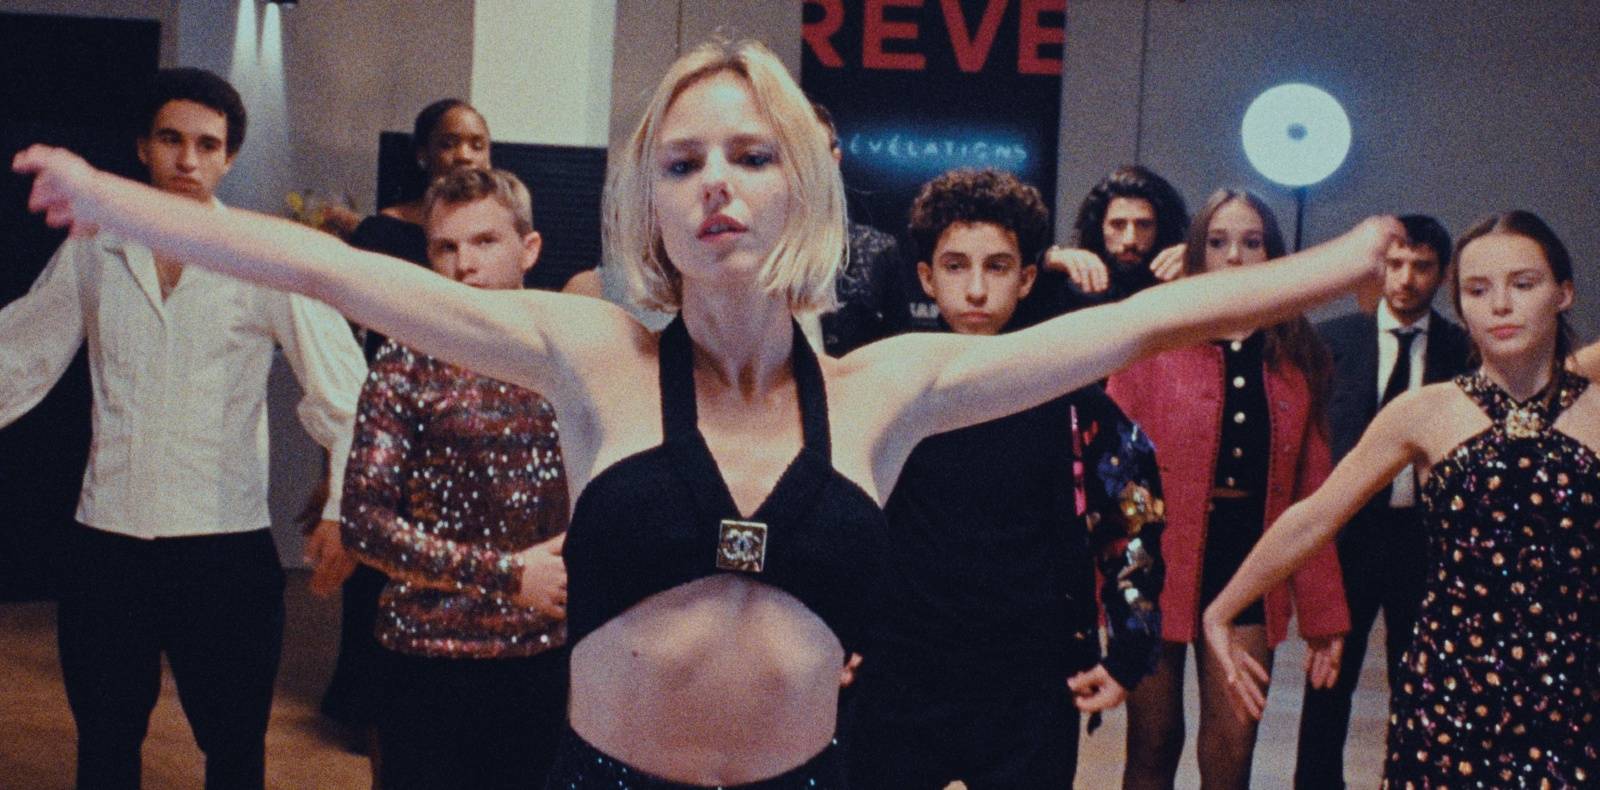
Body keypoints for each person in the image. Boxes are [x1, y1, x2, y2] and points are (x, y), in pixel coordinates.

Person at [16, 39, 1400, 789]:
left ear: (802, 184)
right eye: (684, 162)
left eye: (750, 153)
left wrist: (1343, 260)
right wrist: (116, 199)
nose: (718, 183)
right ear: (651, 201)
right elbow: (329, 268)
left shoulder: (887, 386)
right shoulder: (587, 350)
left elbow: (1146, 320)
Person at [0, 68, 366, 789]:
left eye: (208, 145)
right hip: (108, 541)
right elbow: (21, 355)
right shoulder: (94, 246)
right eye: (171, 139)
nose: (188, 160)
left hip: (223, 549)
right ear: (144, 147)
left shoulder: (261, 255)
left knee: (234, 753)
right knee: (104, 748)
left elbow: (346, 392)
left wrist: (341, 507)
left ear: (229, 158)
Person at [1205, 209, 1599, 788]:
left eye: (1523, 284)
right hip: (1450, 687)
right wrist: (1221, 609)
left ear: (1563, 293)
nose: (1500, 305)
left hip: (1572, 686)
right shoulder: (1425, 411)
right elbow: (1314, 516)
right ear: (1459, 303)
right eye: (1477, 290)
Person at [844, 167, 1164, 789]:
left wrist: (1130, 647)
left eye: (996, 268)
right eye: (956, 266)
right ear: (926, 278)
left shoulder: (1069, 398)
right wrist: (830, 628)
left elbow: (1135, 511)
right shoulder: (884, 393)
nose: (975, 289)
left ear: (1025, 279)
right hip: (901, 670)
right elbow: (829, 515)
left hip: (1031, 676)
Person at [1106, 189, 1351, 790]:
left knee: (1232, 747)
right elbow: (1117, 473)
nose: (1235, 257)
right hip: (1153, 563)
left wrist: (1324, 613)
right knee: (1153, 741)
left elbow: (1312, 493)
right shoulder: (1153, 339)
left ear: (1274, 255)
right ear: (1196, 254)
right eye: (1218, 243)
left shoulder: (1298, 355)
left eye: (1252, 242)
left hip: (1251, 564)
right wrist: (1113, 586)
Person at [341, 167, 572, 789]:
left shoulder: (569, 357)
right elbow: (363, 524)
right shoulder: (404, 362)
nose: (464, 264)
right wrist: (508, 575)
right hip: (426, 659)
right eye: (446, 247)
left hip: (545, 658)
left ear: (529, 248)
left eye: (484, 241)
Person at [1295, 214, 1472, 789]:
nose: (1406, 278)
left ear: (1441, 274)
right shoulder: (1334, 342)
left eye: (1421, 266)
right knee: (1329, 677)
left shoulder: (1462, 350)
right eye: (1395, 264)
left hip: (1424, 538)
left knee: (1418, 678)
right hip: (1347, 534)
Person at [809, 101, 911, 355]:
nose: (803, 167)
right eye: (791, 154)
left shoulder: (876, 250)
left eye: (813, 153)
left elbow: (899, 352)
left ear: (835, 158)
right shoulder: (749, 251)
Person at [1043, 164, 1191, 310]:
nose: (1130, 240)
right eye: (1118, 225)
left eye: (1144, 225)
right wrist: (1048, 259)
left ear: (1161, 228)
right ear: (1099, 227)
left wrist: (1196, 263)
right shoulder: (1073, 287)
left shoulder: (1183, 276)